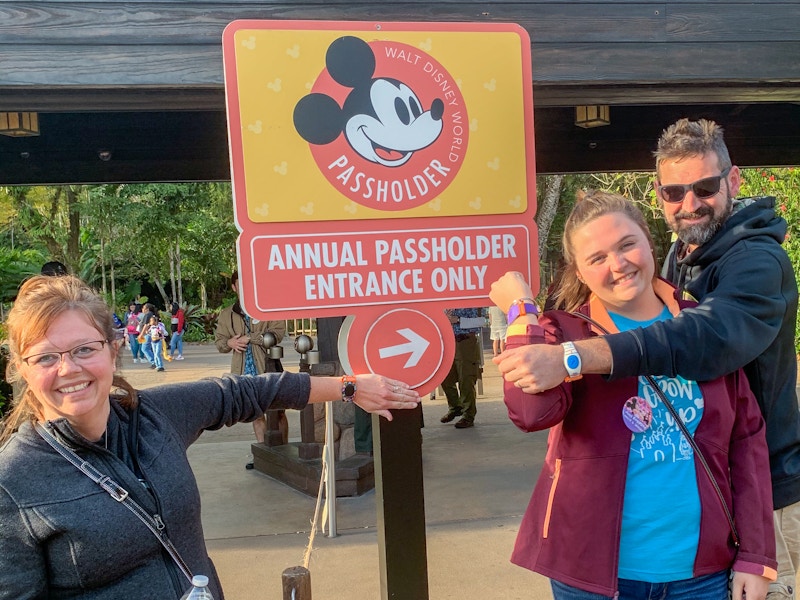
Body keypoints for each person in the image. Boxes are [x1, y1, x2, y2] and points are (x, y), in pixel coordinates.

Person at [494, 119, 800, 600]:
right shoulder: (564, 328)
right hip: (594, 573)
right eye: (675, 192)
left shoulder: (743, 274)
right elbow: (530, 412)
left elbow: (741, 426)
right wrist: (522, 312)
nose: (690, 203)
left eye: (704, 186)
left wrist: (756, 555)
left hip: (709, 562)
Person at [0, 274, 419, 599]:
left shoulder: (154, 416)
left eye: (84, 349)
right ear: (20, 369)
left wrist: (350, 387)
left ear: (113, 349)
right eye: (46, 357)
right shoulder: (13, 482)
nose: (69, 369)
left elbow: (250, 391)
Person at [215, 270, 288, 468]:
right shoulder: (226, 314)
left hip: (269, 366)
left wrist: (251, 339)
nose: (244, 288)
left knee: (278, 412)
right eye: (239, 284)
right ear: (234, 287)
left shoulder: (268, 308)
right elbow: (220, 343)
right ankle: (264, 458)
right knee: (255, 415)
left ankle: (284, 453)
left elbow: (278, 334)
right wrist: (230, 342)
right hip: (243, 371)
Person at [439, 307, 484, 429]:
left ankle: (468, 415)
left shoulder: (470, 297)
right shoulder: (442, 297)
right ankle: (455, 407)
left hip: (465, 340)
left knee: (466, 378)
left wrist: (457, 320)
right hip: (445, 341)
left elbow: (481, 321)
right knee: (444, 377)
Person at [137, 303, 158, 367]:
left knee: (145, 348)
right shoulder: (150, 314)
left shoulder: (148, 314)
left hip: (147, 334)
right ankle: (154, 362)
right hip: (148, 333)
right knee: (147, 348)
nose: (142, 309)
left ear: (147, 309)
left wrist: (141, 334)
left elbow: (146, 325)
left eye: (143, 308)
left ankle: (154, 362)